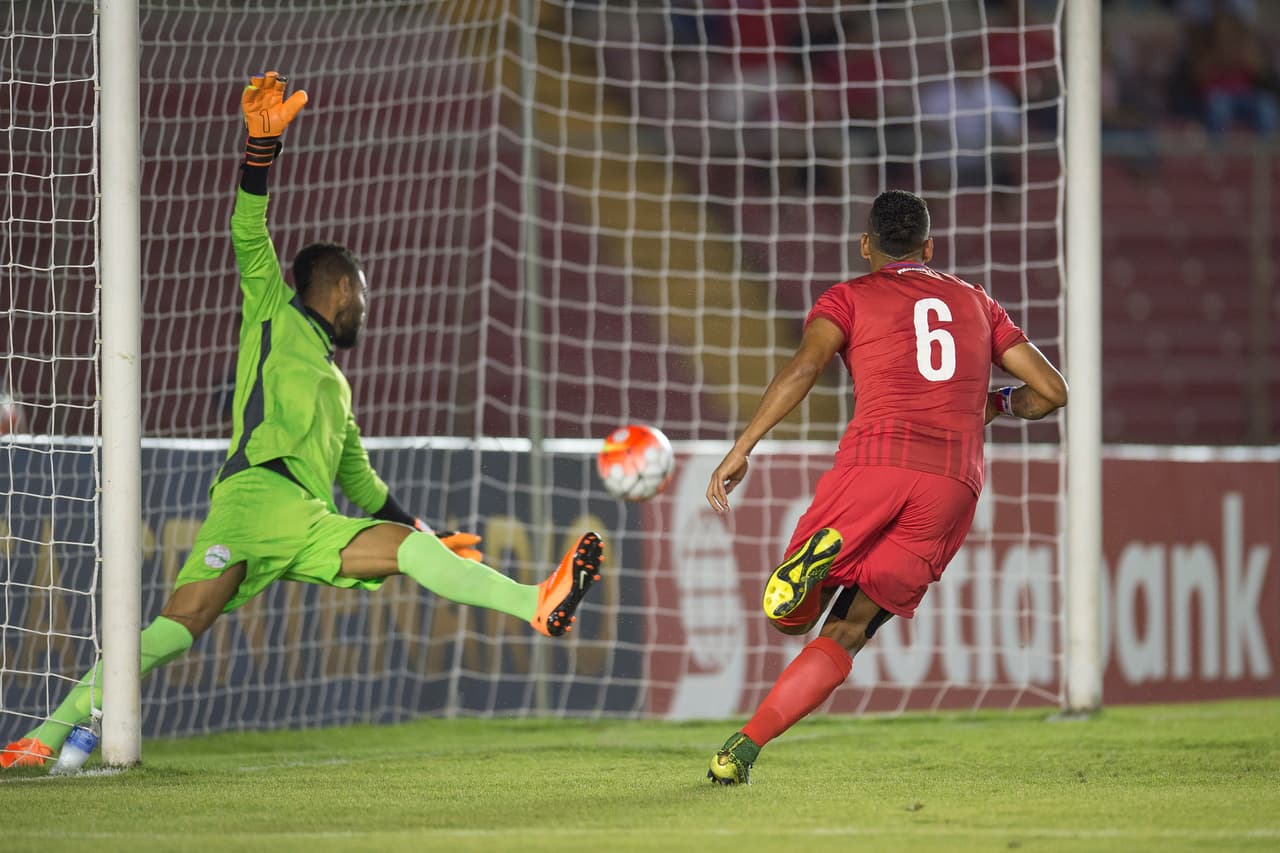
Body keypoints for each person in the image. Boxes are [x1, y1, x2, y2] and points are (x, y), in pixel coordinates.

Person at [1, 71, 605, 770]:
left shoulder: (336, 388)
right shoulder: (272, 310)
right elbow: (246, 228)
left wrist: (428, 534)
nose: (367, 310)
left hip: (275, 515)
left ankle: (41, 735)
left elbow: (365, 484)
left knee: (176, 626)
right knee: (379, 561)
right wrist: (262, 151)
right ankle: (537, 600)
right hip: (264, 495)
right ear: (342, 288)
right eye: (364, 296)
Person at [703, 189, 1067, 784]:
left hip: (876, 463)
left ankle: (807, 586)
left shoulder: (848, 297)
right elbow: (1053, 391)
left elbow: (804, 368)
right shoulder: (978, 302)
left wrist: (743, 447)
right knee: (848, 632)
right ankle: (743, 747)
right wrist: (995, 401)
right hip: (951, 486)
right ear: (929, 246)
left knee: (789, 619)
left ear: (866, 244)